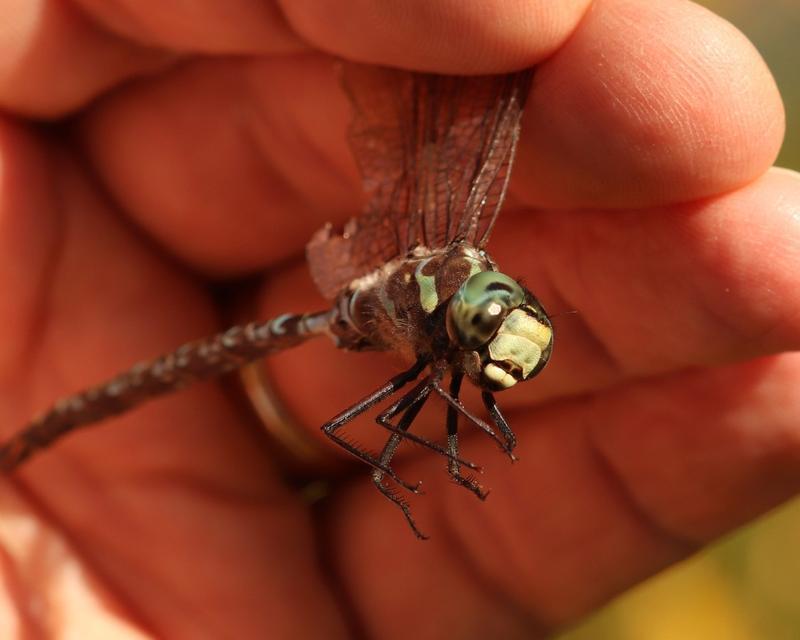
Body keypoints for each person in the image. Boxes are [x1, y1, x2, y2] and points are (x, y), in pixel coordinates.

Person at [0, 1, 797, 637]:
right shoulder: (435, 341)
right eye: (500, 333)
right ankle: (34, 440)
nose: (508, 342)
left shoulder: (456, 299)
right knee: (381, 429)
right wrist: (412, 465)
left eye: (509, 320)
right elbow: (364, 427)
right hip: (323, 318)